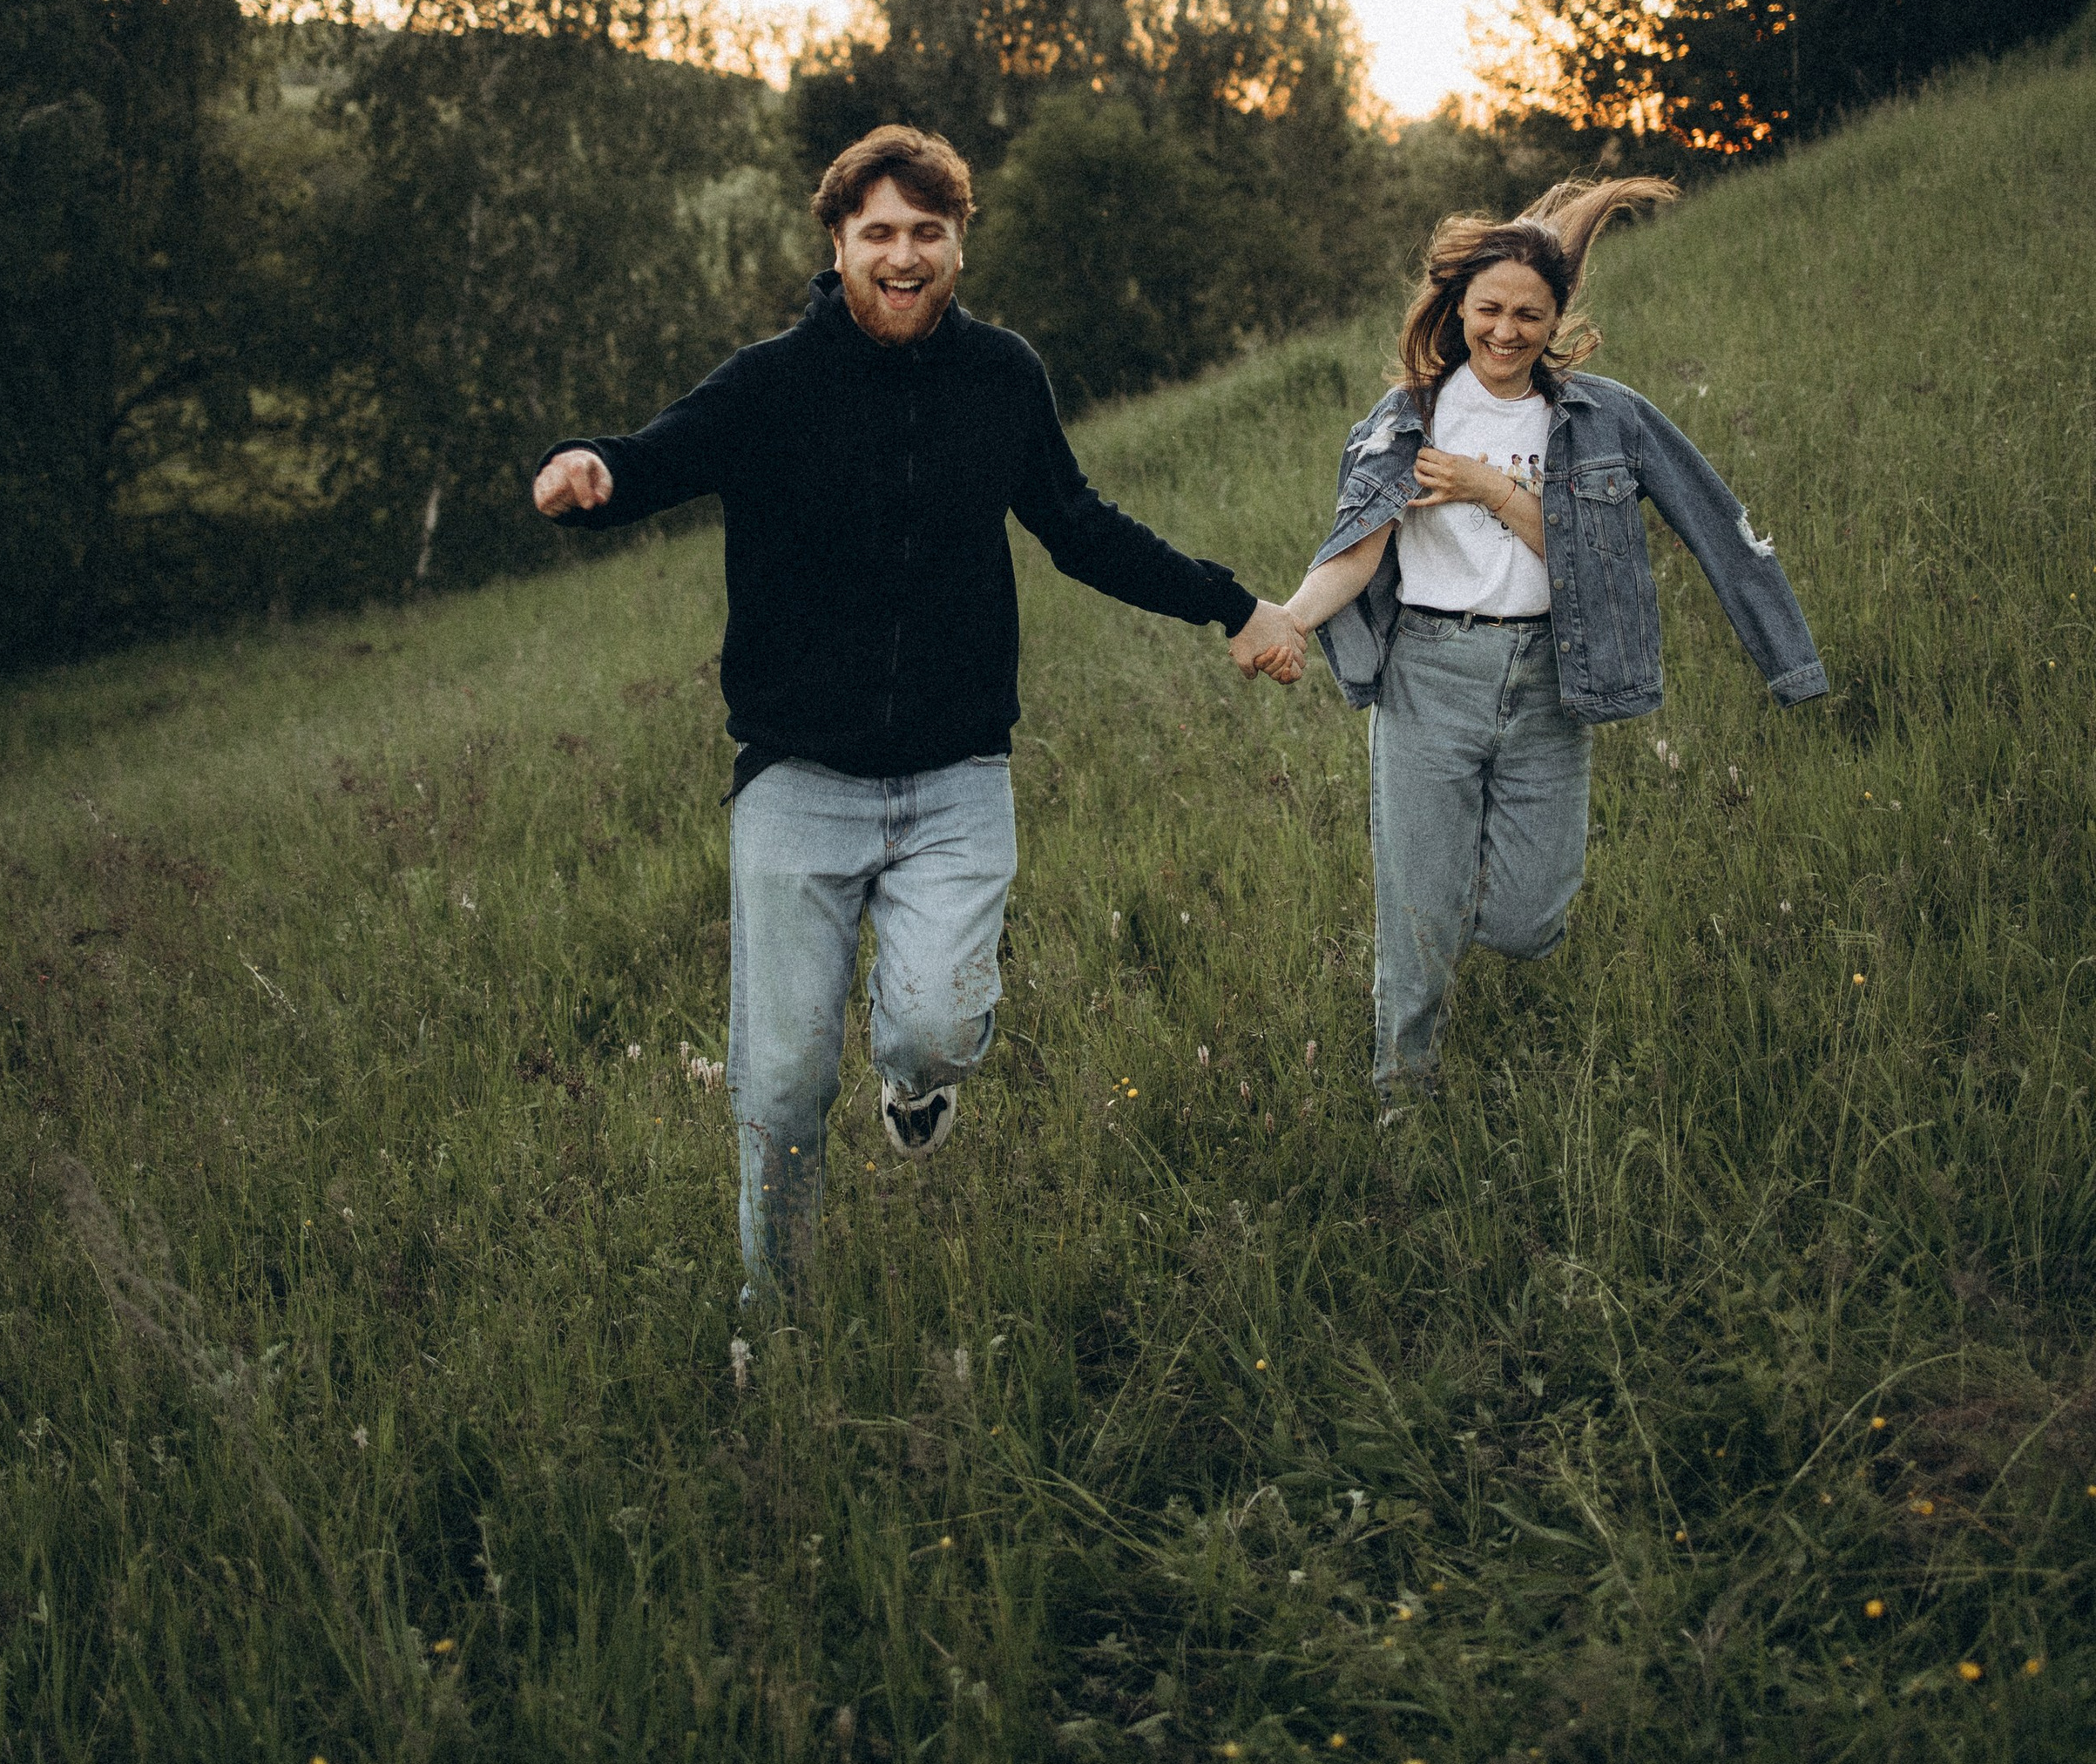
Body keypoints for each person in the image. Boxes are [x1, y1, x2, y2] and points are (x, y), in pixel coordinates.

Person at [533, 124, 1306, 1279]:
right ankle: (776, 1317)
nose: (904, 256)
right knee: (782, 1083)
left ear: (958, 246)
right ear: (839, 244)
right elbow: (656, 456)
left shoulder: (1003, 376)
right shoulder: (769, 383)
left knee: (937, 1028)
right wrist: (590, 472)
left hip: (956, 777)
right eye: (880, 233)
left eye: (927, 233)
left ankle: (916, 1084)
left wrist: (1230, 604)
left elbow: (1079, 527)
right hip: (797, 780)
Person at [1277, 180, 1826, 1110]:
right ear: (1458, 309)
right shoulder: (1405, 418)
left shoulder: (1606, 418)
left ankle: (1450, 914)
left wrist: (1490, 489)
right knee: (1415, 915)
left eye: (1528, 315)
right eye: (1488, 309)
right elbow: (1356, 548)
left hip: (1551, 679)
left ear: (1554, 320)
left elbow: (1686, 533)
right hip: (1429, 676)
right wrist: (1288, 620)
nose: (1506, 331)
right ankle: (1402, 1097)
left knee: (1531, 919)